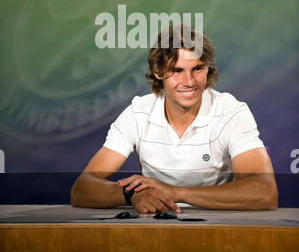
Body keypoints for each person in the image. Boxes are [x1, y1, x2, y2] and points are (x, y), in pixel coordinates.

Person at [71, 25, 278, 213]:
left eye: (197, 69)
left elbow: (265, 192)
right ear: (158, 71)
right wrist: (132, 195)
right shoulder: (138, 113)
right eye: (177, 71)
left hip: (219, 234)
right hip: (156, 233)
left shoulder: (231, 113)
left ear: (207, 68)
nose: (189, 82)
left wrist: (176, 193)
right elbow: (82, 189)